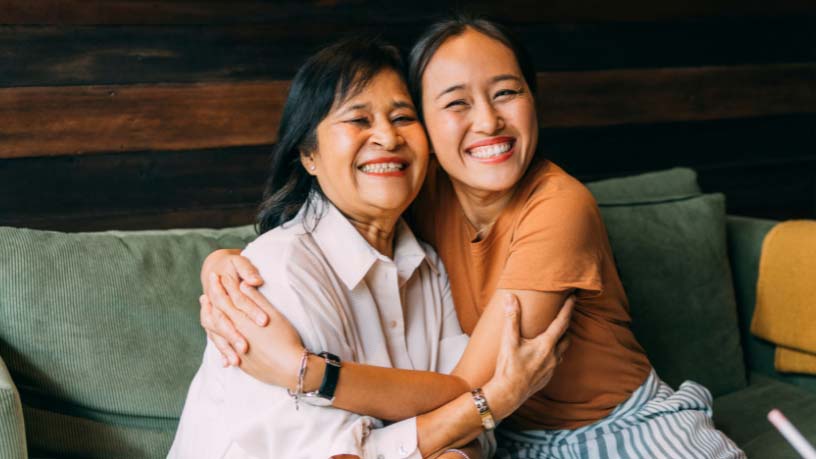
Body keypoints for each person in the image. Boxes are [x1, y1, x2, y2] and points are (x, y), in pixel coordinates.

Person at [201, 17, 746, 459]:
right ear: (430, 126)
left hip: (618, 427)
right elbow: (319, 230)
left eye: (506, 92)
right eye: (456, 102)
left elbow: (468, 387)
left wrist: (308, 373)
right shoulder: (416, 194)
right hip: (508, 437)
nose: (488, 122)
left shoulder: (559, 204)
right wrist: (224, 261)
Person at [169, 37, 571, 459]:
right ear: (308, 155)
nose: (388, 137)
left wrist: (466, 433)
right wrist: (494, 403)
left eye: (402, 117)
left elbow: (463, 414)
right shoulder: (275, 273)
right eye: (358, 119)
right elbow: (344, 454)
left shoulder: (428, 264)